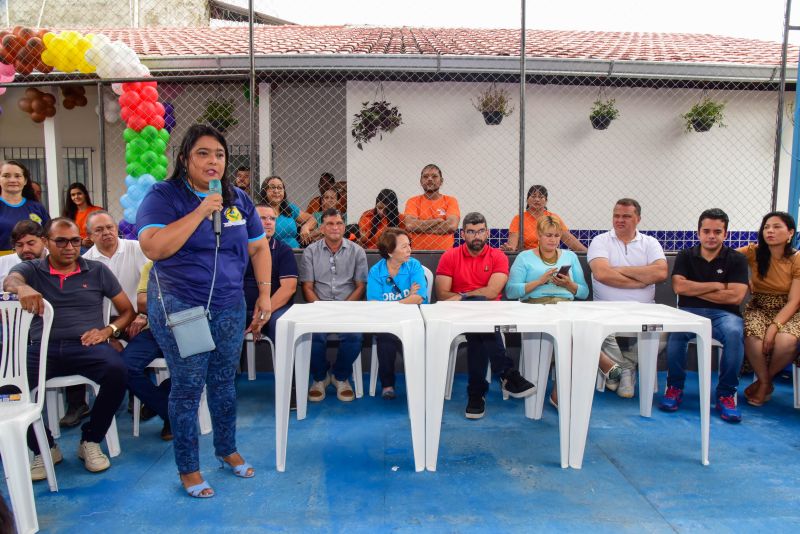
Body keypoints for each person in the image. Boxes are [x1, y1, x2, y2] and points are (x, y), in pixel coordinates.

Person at [137, 124, 273, 498]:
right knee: (188, 386)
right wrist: (200, 212)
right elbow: (154, 247)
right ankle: (189, 469)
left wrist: (264, 295)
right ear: (184, 158)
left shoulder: (238, 199)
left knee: (225, 383)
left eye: (220, 154)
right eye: (203, 153)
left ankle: (226, 449)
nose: (213, 161)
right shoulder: (164, 195)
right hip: (182, 306)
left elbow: (259, 249)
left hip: (230, 304)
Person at [3, 217, 135, 478]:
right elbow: (10, 281)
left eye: (75, 241)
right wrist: (23, 288)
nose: (69, 247)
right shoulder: (32, 268)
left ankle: (91, 441)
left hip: (87, 346)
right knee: (6, 389)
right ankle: (44, 447)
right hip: (43, 348)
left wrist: (108, 331)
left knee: (118, 372)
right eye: (60, 241)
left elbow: (127, 311)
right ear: (46, 243)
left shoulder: (96, 270)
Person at [435, 212, 535, 419]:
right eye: (471, 232)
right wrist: (470, 299)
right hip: (457, 314)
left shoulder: (498, 256)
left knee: (479, 329)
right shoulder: (450, 256)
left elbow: (492, 292)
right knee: (480, 317)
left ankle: (476, 392)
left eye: (480, 231)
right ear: (463, 234)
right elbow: (442, 294)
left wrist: (463, 296)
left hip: (489, 313)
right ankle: (506, 373)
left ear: (487, 233)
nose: (476, 236)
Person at [658, 208, 749, 422]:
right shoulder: (685, 256)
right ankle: (674, 387)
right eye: (706, 231)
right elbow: (679, 287)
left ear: (725, 234)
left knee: (735, 333)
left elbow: (735, 297)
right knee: (677, 334)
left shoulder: (736, 259)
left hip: (725, 315)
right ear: (698, 232)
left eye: (717, 231)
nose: (711, 236)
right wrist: (717, 286)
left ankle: (726, 394)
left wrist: (696, 290)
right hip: (689, 312)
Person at [505, 215, 592, 408]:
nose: (552, 240)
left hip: (565, 306)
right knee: (574, 336)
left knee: (577, 331)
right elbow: (511, 291)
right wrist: (540, 281)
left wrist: (569, 284)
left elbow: (584, 292)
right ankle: (604, 363)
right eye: (548, 235)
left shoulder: (570, 257)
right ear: (538, 235)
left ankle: (558, 392)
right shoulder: (524, 257)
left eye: (556, 236)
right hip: (536, 307)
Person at [587, 198, 668, 398]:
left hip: (645, 308)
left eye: (626, 216)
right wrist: (641, 280)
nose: (620, 220)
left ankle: (623, 367)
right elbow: (602, 274)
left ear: (638, 219)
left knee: (664, 332)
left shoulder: (650, 243)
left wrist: (621, 269)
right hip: (604, 309)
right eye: (616, 215)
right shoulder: (600, 241)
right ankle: (626, 369)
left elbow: (660, 273)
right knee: (593, 330)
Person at [300, 208, 368, 403]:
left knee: (355, 337)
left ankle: (340, 377)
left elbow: (360, 286)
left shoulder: (357, 252)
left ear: (344, 226)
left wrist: (343, 310)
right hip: (318, 308)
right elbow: (307, 287)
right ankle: (320, 378)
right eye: (330, 223)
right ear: (322, 228)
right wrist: (323, 310)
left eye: (338, 223)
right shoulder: (310, 252)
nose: (335, 227)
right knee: (312, 336)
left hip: (348, 307)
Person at [736, 211, 800, 407]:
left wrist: (774, 327)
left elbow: (795, 301)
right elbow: (726, 258)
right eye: (766, 227)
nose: (770, 231)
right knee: (753, 337)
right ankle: (765, 383)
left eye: (777, 227)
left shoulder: (797, 259)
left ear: (790, 233)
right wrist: (742, 279)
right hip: (759, 306)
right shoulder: (754, 252)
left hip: (791, 310)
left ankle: (765, 380)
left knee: (785, 341)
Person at [366, 227, 428, 399]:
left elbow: (419, 298)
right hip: (388, 321)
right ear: (390, 252)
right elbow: (374, 304)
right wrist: (406, 298)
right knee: (385, 337)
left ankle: (420, 383)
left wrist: (395, 303)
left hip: (415, 319)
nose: (409, 250)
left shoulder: (414, 265)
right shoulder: (376, 272)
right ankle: (387, 384)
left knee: (416, 337)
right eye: (403, 247)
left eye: (409, 245)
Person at [120, 261, 173, 440]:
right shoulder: (152, 266)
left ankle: (163, 409)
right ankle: (171, 413)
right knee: (123, 368)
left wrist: (158, 299)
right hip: (154, 329)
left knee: (191, 367)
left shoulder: (198, 262)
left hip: (187, 327)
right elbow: (142, 303)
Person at [83, 210, 149, 336]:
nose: (106, 232)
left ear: (116, 228)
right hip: (101, 326)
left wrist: (144, 316)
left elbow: (157, 286)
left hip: (138, 322)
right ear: (89, 235)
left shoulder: (138, 249)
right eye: (99, 230)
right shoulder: (85, 261)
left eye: (109, 227)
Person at [244, 204, 298, 343]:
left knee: (282, 325)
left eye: (272, 219)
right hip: (241, 308)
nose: (268, 222)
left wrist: (262, 316)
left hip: (274, 309)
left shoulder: (284, 250)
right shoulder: (240, 248)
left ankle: (283, 365)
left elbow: (289, 288)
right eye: (262, 218)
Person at [500, 185, 586, 252]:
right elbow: (512, 243)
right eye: (533, 196)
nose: (537, 199)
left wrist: (588, 253)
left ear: (546, 201)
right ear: (527, 200)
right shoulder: (519, 218)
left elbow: (569, 239)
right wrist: (510, 250)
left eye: (541, 197)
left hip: (550, 256)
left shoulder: (553, 218)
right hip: (529, 257)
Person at [403, 164, 460, 250]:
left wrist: (420, 228)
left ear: (441, 181)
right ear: (421, 181)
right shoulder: (413, 201)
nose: (429, 179)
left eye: (434, 176)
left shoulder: (450, 200)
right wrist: (438, 221)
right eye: (425, 177)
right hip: (418, 255)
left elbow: (451, 226)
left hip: (445, 255)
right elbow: (410, 225)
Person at [0, 160, 49, 255]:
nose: (12, 180)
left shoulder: (37, 207)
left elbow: (49, 236)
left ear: (25, 180)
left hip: (35, 263)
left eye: (18, 176)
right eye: (6, 176)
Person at [260, 175, 316, 248]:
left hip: (296, 253)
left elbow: (312, 219)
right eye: (272, 187)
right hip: (273, 254)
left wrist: (305, 227)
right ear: (265, 191)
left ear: (284, 191)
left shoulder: (289, 208)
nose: (276, 191)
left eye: (280, 188)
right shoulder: (260, 211)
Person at [0, 220, 47, 287]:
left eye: (31, 243)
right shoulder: (2, 263)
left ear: (44, 241)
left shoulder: (58, 260)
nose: (25, 249)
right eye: (19, 245)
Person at [62, 182, 102, 249]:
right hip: (77, 247)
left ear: (85, 194)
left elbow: (104, 229)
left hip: (97, 245)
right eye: (73, 195)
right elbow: (65, 235)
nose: (76, 197)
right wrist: (81, 242)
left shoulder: (98, 210)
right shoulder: (67, 214)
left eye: (79, 193)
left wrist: (93, 240)